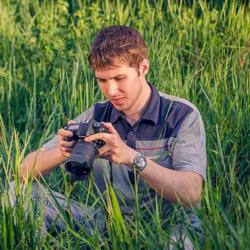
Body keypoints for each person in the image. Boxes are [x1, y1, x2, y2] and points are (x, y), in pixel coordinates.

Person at [15, 26, 206, 249]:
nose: (111, 90)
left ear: (143, 67)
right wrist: (61, 152)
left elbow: (192, 193)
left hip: (170, 225)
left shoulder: (181, 115)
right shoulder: (97, 115)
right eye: (102, 80)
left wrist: (132, 158)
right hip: (107, 224)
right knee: (16, 193)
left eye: (119, 77)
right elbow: (23, 173)